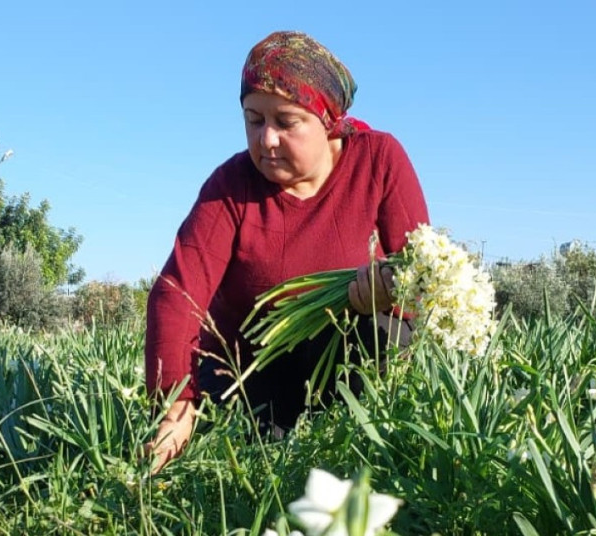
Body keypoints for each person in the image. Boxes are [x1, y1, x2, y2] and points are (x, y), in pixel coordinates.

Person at [144, 30, 430, 472]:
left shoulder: (378, 159)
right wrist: (175, 404)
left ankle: (373, 436)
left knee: (386, 334)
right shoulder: (231, 186)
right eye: (254, 120)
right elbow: (177, 292)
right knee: (247, 446)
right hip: (250, 362)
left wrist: (390, 293)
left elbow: (423, 274)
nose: (267, 140)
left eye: (286, 121)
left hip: (341, 354)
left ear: (327, 120)